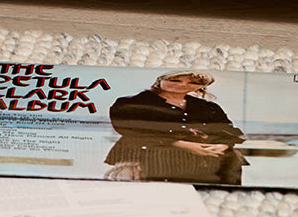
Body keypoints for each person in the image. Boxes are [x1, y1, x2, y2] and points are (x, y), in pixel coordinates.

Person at [104, 71, 247, 185]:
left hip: (207, 166)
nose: (183, 85)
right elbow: (130, 129)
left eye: (193, 82)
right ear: (160, 80)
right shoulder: (132, 103)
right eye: (175, 80)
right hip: (150, 161)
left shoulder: (209, 107)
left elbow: (228, 131)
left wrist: (222, 145)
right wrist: (181, 144)